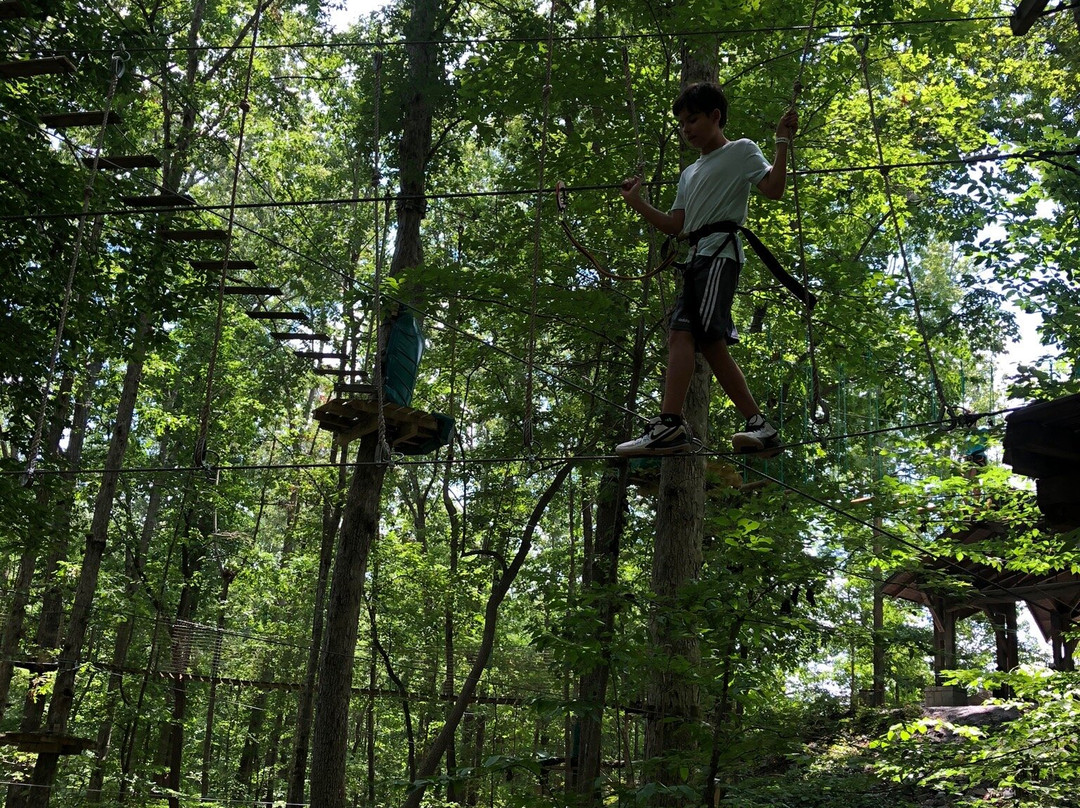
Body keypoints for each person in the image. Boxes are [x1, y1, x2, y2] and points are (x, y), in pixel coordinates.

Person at [615, 81, 797, 458]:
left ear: (716, 117)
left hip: (720, 255)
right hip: (697, 258)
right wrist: (637, 203)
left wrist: (781, 142)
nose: (687, 129)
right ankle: (748, 426)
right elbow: (675, 226)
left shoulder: (742, 151)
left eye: (693, 119)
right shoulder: (688, 173)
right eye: (681, 123)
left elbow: (774, 189)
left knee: (692, 337)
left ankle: (677, 424)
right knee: (694, 339)